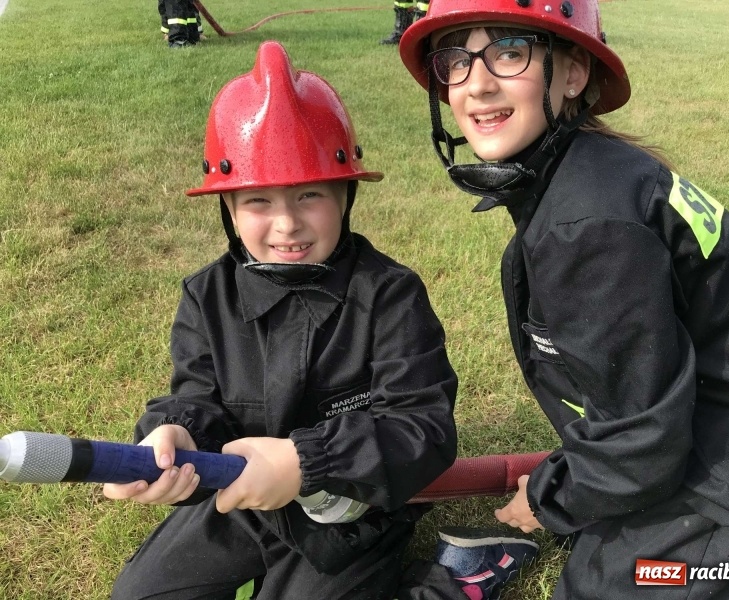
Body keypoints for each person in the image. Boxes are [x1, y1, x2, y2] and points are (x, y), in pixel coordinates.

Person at [398, 0, 729, 598]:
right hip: (726, 434)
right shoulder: (591, 174)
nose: (477, 84)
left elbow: (644, 442)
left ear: (573, 73)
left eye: (509, 51)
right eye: (456, 59)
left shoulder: (587, 224)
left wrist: (548, 496)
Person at [103, 40, 465, 599]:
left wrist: (308, 461)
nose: (287, 224)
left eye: (309, 195)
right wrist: (175, 430)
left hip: (350, 511)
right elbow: (199, 398)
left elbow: (423, 428)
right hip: (241, 499)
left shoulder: (389, 294)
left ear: (345, 194)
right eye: (258, 202)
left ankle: (456, 579)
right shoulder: (207, 297)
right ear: (227, 208)